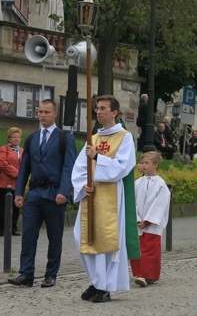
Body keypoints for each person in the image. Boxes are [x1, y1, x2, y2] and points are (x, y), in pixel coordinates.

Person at [72, 95, 138, 302]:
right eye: (97, 109)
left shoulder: (124, 137)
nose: (98, 112)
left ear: (114, 113)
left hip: (111, 196)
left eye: (103, 108)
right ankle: (95, 280)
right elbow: (79, 167)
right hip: (90, 195)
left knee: (104, 240)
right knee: (82, 237)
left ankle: (104, 286)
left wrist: (97, 158)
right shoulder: (94, 138)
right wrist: (83, 184)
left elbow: (122, 167)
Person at [8, 100, 77, 288]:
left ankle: (51, 273)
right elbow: (24, 168)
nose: (43, 115)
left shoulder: (64, 138)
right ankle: (26, 273)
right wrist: (19, 192)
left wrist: (64, 191)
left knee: (55, 236)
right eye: (40, 111)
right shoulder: (32, 138)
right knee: (28, 235)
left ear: (55, 114)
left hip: (55, 193)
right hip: (34, 194)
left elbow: (69, 167)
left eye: (47, 112)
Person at [131, 152, 171, 287]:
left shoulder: (161, 184)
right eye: (141, 163)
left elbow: (160, 204)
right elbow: (132, 202)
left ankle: (147, 274)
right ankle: (139, 272)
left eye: (146, 163)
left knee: (150, 249)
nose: (143, 165)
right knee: (137, 248)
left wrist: (148, 220)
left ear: (155, 165)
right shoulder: (137, 183)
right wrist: (136, 218)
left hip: (152, 224)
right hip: (138, 222)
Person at [0, 127, 23, 236]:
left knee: (16, 206)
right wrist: (16, 173)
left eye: (19, 137)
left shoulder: (22, 150)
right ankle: (2, 228)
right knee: (4, 206)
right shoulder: (4, 149)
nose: (17, 139)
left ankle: (13, 227)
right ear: (9, 138)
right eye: (14, 137)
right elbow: (2, 163)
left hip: (18, 183)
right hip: (5, 182)